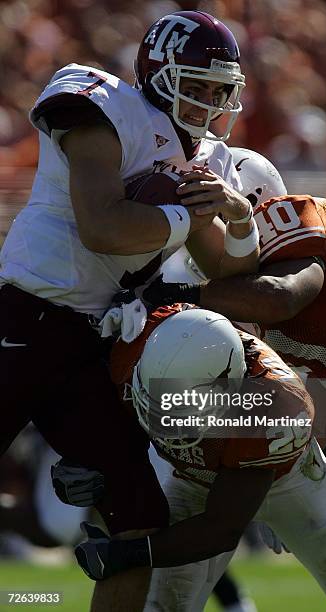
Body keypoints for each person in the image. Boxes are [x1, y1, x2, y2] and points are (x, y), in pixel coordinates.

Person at [0, 12, 259, 612]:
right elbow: (102, 227)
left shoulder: (211, 160)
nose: (207, 101)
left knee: (137, 516)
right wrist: (186, 216)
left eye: (219, 89)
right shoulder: (106, 108)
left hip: (88, 345)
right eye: (194, 83)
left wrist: (240, 217)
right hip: (24, 321)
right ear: (156, 72)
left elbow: (226, 270)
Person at [69, 304, 326, 611]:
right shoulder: (135, 341)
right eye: (155, 396)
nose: (162, 416)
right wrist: (83, 464)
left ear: (229, 389)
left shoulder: (273, 407)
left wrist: (125, 555)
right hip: (196, 477)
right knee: (163, 607)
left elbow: (221, 528)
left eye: (176, 407)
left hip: (286, 479)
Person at [144, 146, 326, 433]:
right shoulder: (324, 316)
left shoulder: (289, 225)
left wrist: (174, 296)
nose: (203, 233)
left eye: (207, 216)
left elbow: (280, 296)